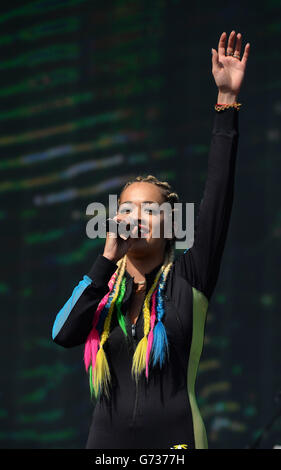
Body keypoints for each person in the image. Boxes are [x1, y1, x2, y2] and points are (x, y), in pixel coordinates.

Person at [51, 31, 250, 449]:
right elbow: (63, 333)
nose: (134, 217)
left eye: (147, 209)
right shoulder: (102, 289)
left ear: (171, 223)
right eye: (126, 208)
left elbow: (219, 190)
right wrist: (105, 261)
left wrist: (227, 102)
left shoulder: (189, 278)